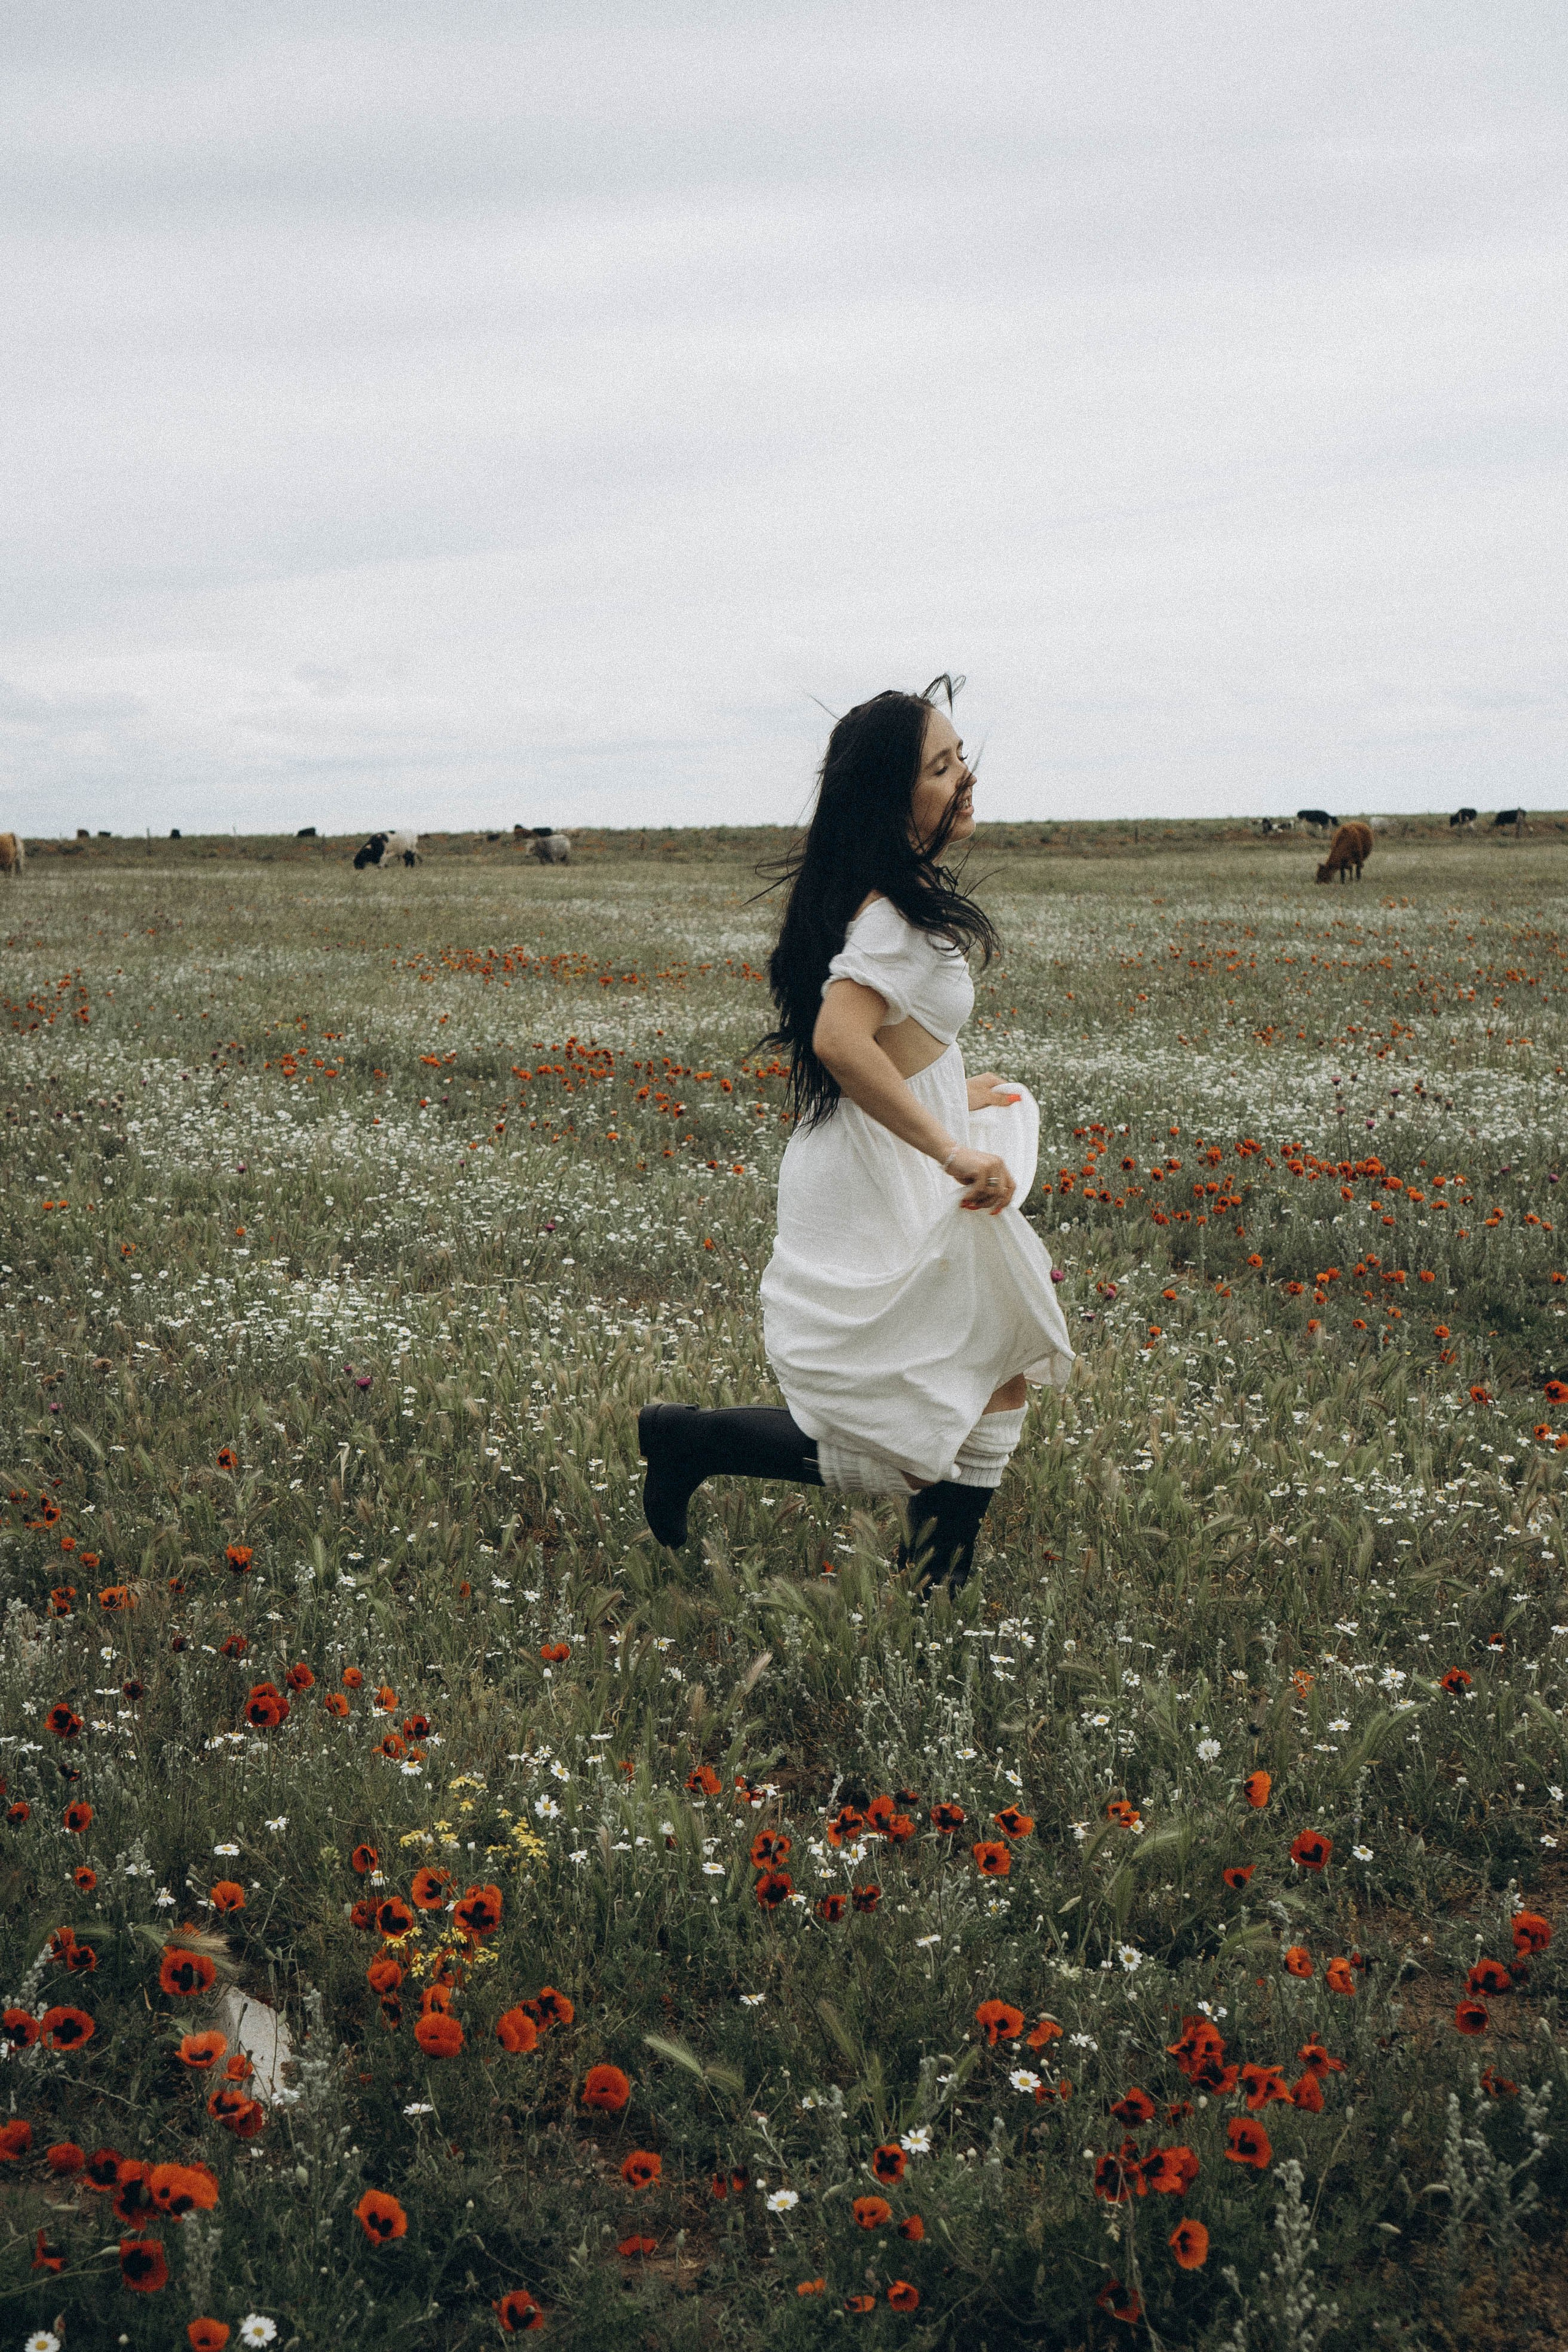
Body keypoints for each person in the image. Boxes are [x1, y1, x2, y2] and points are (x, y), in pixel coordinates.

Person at [638, 678, 1074, 1591]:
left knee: (990, 1373)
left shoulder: (895, 896)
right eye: (941, 767)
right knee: (919, 1422)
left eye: (961, 758)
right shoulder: (887, 912)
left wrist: (957, 1089)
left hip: (884, 1154)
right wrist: (952, 1146)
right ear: (891, 796)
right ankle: (691, 1440)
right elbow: (840, 1039)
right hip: (875, 1177)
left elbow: (886, 1037)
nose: (966, 779)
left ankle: (934, 1595)